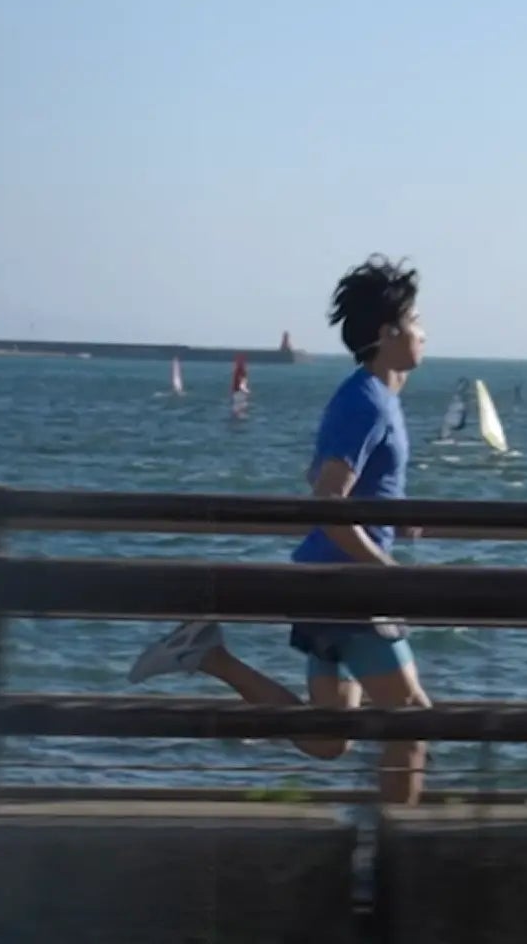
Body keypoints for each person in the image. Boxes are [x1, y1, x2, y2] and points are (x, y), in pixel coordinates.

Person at [128, 255, 434, 805]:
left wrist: (395, 515)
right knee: (412, 724)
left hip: (329, 582)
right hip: (348, 588)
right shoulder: (367, 402)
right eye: (415, 320)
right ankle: (398, 848)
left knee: (327, 738)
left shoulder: (373, 396)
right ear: (388, 334)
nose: (424, 331)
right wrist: (385, 570)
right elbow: (328, 498)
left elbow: (321, 475)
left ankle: (208, 655)